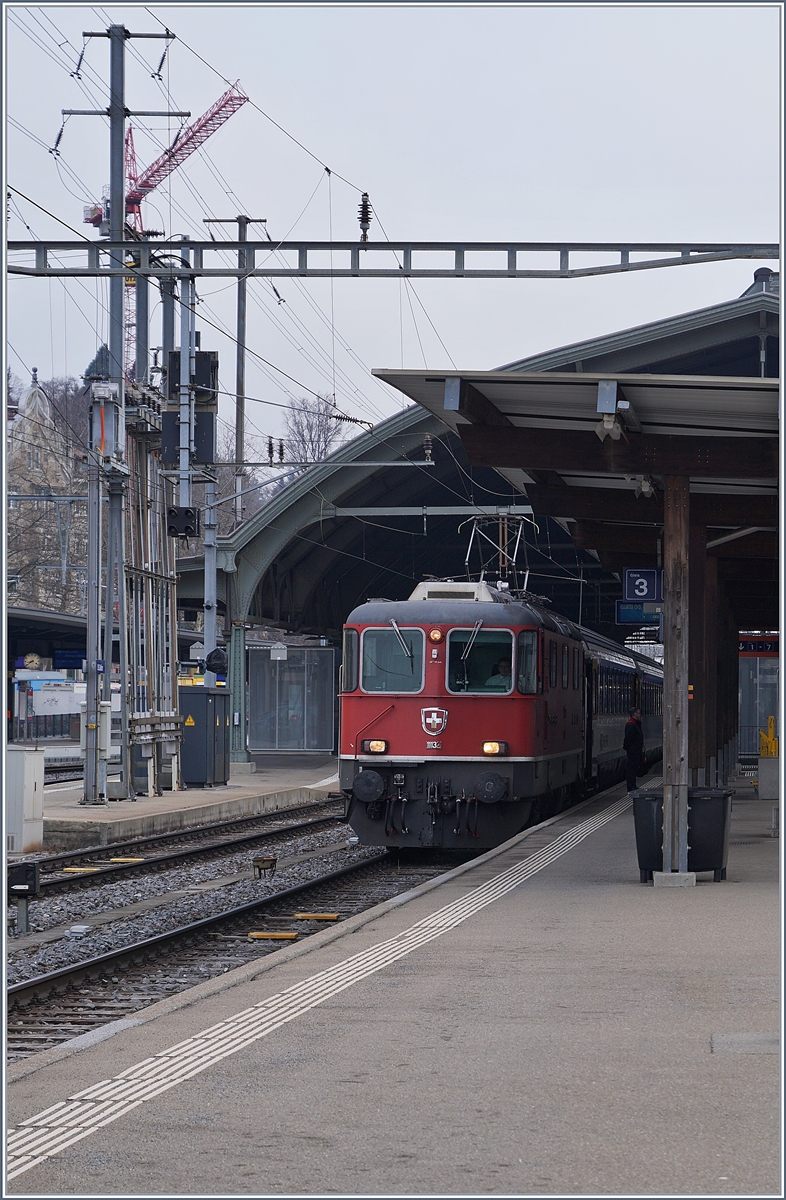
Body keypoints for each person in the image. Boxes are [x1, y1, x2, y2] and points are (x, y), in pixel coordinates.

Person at [623, 707, 644, 792]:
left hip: (635, 750)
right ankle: (631, 786)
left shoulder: (635, 724)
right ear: (634, 714)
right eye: (638, 713)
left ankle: (633, 785)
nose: (639, 714)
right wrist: (626, 747)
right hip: (633, 751)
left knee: (634, 769)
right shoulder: (631, 724)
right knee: (631, 769)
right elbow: (628, 738)